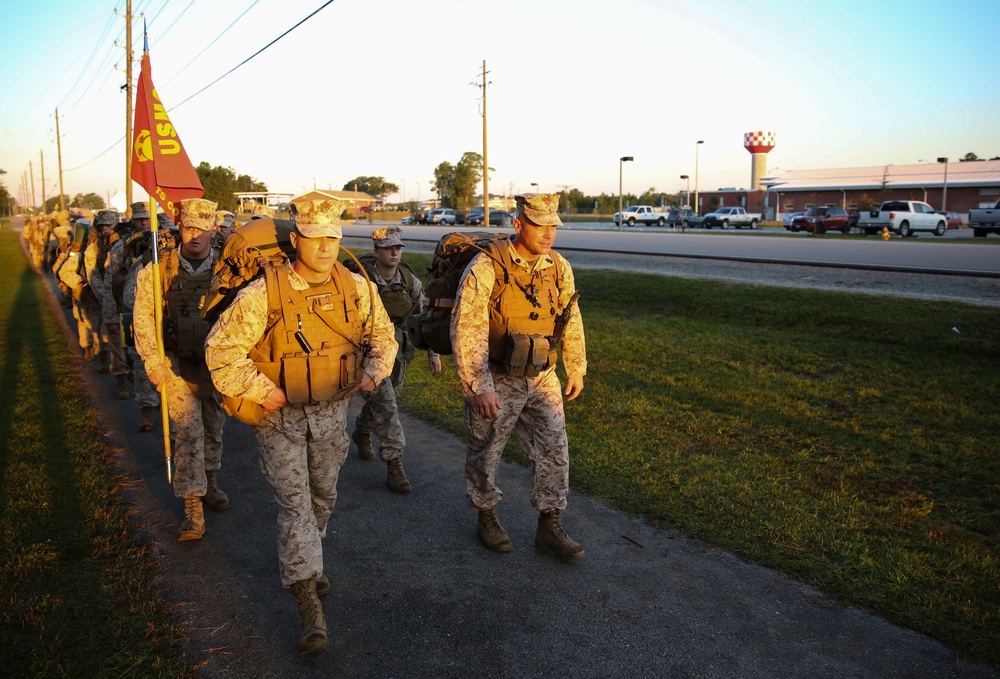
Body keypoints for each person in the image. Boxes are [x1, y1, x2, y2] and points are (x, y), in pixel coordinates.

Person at [205, 199, 396, 655]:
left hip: (332, 416)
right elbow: (221, 353)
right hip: (280, 421)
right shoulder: (263, 293)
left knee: (323, 497)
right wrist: (260, 390)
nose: (326, 247)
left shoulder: (355, 287)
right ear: (296, 240)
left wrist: (372, 371)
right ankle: (308, 601)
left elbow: (383, 336)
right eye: (316, 238)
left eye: (333, 237)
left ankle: (309, 559)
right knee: (295, 507)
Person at [451, 193, 588, 560]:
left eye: (552, 226)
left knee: (554, 448)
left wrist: (576, 366)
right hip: (497, 375)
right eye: (539, 225)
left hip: (543, 374)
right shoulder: (486, 266)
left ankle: (550, 523)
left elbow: (570, 318)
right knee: (487, 449)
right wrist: (478, 386)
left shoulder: (558, 266)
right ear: (518, 224)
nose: (548, 233)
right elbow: (467, 329)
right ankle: (486, 514)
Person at [133, 198, 228, 541]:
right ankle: (192, 505)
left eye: (203, 229)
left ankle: (211, 481)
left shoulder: (227, 270)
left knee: (215, 428)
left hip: (217, 367)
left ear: (214, 231)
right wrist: (153, 362)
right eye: (189, 227)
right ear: (179, 228)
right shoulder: (158, 272)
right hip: (176, 365)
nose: (195, 235)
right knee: (188, 433)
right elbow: (143, 318)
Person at [350, 226, 441, 493]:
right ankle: (394, 464)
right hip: (368, 355)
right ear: (376, 251)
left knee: (388, 398)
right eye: (388, 247)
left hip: (399, 352)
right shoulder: (361, 280)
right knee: (387, 406)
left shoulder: (408, 278)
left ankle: (362, 431)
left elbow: (423, 316)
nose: (394, 252)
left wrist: (432, 353)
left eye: (398, 247)